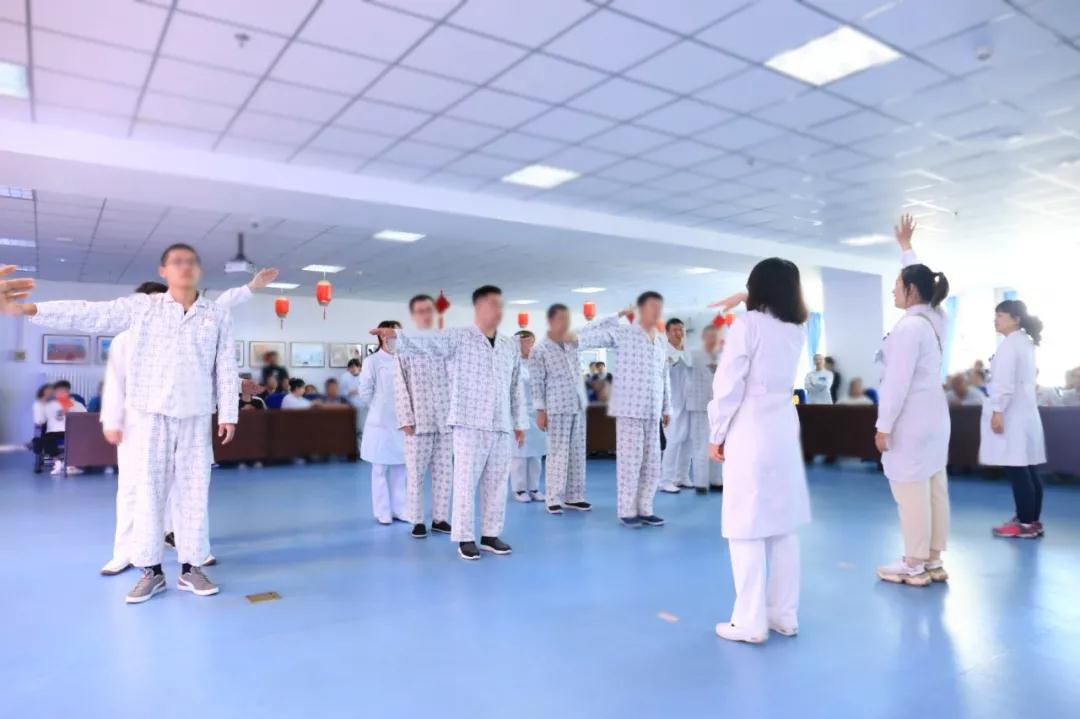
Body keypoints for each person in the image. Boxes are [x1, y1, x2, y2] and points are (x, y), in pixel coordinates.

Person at [8, 243, 239, 603]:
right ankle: (151, 571)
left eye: (192, 261)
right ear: (163, 271)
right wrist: (28, 309)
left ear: (199, 270)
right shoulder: (144, 308)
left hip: (195, 416)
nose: (185, 267)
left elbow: (225, 366)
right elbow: (91, 314)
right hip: (150, 414)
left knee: (194, 493)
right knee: (148, 493)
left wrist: (228, 413)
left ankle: (191, 568)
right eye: (177, 262)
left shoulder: (216, 314)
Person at [97, 275, 267, 577]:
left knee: (182, 488)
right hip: (136, 427)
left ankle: (183, 543)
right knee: (132, 490)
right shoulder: (124, 340)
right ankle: (124, 552)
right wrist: (112, 421)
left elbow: (204, 366)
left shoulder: (183, 335)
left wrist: (240, 384)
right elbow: (114, 385)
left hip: (181, 423)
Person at [375, 285, 526, 560]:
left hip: (500, 423)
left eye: (501, 305)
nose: (499, 310)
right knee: (465, 483)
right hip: (469, 422)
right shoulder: (458, 337)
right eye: (493, 304)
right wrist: (394, 334)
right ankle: (465, 537)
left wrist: (519, 422)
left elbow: (515, 386)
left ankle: (490, 535)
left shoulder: (509, 345)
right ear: (479, 307)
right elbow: (427, 342)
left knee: (497, 483)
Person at [707, 258, 811, 644]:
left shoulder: (747, 325)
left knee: (745, 524)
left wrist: (716, 432)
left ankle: (749, 621)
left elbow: (728, 384)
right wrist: (748, 298)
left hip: (750, 427)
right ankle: (783, 614)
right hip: (783, 424)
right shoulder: (797, 328)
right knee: (782, 524)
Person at [874, 215, 951, 587]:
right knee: (934, 487)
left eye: (897, 287)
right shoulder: (937, 318)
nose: (893, 293)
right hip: (935, 419)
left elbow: (895, 384)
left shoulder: (908, 328)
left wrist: (883, 426)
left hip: (911, 421)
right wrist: (906, 248)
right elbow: (923, 279)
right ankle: (933, 559)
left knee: (910, 490)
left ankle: (913, 564)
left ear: (911, 290)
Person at [579, 292, 671, 528]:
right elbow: (584, 334)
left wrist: (666, 407)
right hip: (629, 408)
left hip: (653, 410)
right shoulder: (623, 332)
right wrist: (618, 314)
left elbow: (664, 376)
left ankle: (646, 509)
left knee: (652, 464)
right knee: (630, 463)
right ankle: (627, 511)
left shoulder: (661, 340)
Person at [981, 300, 1048, 539]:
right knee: (1029, 468)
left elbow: (1004, 383)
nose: (996, 320)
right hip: (1025, 413)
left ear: (1016, 319)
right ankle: (1031, 520)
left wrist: (997, 411)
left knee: (1018, 470)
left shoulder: (1010, 345)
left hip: (1013, 415)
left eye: (1001, 315)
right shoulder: (1025, 343)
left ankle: (1025, 523)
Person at [393, 294, 453, 539]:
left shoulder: (445, 344)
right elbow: (400, 383)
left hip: (445, 421)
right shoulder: (405, 345)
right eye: (420, 311)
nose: (426, 315)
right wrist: (406, 418)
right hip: (418, 421)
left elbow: (456, 380)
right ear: (413, 315)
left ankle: (440, 518)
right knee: (416, 474)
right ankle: (417, 520)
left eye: (429, 310)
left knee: (444, 473)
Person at [530, 303, 590, 514]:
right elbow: (537, 383)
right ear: (550, 321)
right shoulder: (539, 350)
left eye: (567, 319)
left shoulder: (573, 344)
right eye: (561, 319)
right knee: (557, 453)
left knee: (577, 453)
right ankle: (553, 497)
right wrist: (540, 411)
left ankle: (575, 497)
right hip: (556, 406)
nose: (565, 323)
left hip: (578, 404)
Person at [356, 321, 408, 526]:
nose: (395, 337)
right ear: (382, 336)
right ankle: (382, 512)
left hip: (402, 421)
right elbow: (365, 392)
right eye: (391, 333)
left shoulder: (404, 358)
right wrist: (380, 408)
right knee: (379, 469)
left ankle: (400, 509)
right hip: (380, 422)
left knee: (401, 467)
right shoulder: (372, 361)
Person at [510, 330, 547, 504]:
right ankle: (519, 489)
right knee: (520, 454)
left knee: (537, 454)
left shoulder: (538, 363)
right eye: (526, 342)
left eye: (532, 341)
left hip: (537, 412)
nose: (530, 345)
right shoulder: (513, 363)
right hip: (519, 413)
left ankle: (534, 488)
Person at [659, 318, 693, 493]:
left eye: (682, 330)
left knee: (688, 441)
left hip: (690, 404)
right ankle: (665, 480)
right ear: (667, 333)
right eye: (675, 330)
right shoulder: (663, 353)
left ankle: (682, 476)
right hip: (672, 406)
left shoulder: (689, 351)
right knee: (673, 442)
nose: (679, 333)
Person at [687, 324, 721, 494]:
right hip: (699, 406)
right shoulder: (693, 354)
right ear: (703, 337)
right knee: (701, 444)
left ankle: (717, 480)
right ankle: (701, 483)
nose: (712, 339)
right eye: (710, 336)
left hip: (718, 407)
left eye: (715, 336)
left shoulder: (722, 356)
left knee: (718, 443)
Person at [43, 380, 86, 475]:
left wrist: (70, 410)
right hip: (54, 431)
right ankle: (58, 463)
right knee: (46, 439)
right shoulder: (50, 405)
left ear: (68, 392)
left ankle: (72, 465)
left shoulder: (77, 404)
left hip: (72, 431)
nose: (61, 394)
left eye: (64, 391)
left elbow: (85, 418)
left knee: (78, 438)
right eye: (58, 392)